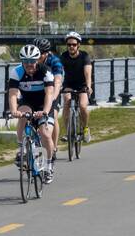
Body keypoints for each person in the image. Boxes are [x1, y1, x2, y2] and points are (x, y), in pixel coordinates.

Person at [7, 44, 57, 183]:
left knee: (45, 134)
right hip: (27, 102)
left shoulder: (46, 72)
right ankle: (21, 147)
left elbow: (49, 94)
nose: (29, 64)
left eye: (32, 61)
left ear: (38, 60)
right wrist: (13, 110)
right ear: (22, 62)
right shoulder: (16, 72)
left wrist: (45, 111)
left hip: (44, 104)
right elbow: (12, 94)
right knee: (22, 115)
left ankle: (48, 166)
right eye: (26, 62)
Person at [59, 31, 93, 144]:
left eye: (73, 44)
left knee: (83, 106)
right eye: (69, 45)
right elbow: (58, 72)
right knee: (67, 102)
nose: (71, 47)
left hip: (82, 85)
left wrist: (88, 86)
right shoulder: (63, 56)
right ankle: (68, 131)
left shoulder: (84, 56)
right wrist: (56, 85)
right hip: (68, 85)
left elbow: (88, 73)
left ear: (78, 45)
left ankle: (86, 128)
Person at [36, 37, 64, 156]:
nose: (38, 56)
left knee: (54, 116)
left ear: (47, 53)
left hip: (54, 89)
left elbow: (57, 81)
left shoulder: (54, 61)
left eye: (41, 54)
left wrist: (53, 98)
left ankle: (54, 146)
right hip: (39, 90)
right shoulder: (31, 60)